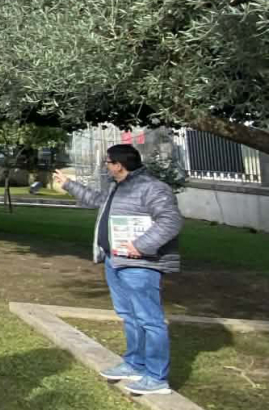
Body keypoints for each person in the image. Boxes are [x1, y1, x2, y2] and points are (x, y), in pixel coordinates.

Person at [54, 144, 183, 395]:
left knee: (150, 321)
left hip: (140, 265)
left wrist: (141, 245)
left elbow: (171, 221)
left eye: (108, 162)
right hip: (115, 261)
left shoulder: (153, 188)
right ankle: (134, 364)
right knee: (130, 316)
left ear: (119, 165)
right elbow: (99, 202)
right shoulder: (119, 187)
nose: (106, 166)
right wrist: (69, 184)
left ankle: (157, 377)